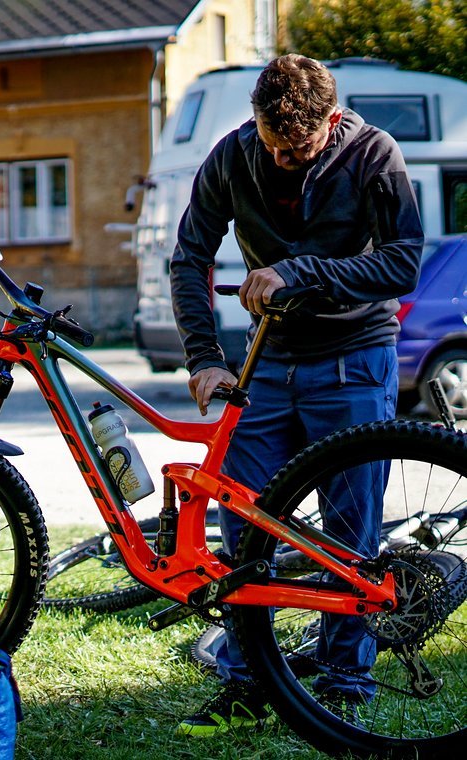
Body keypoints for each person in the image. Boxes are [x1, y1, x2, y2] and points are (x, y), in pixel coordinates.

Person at [168, 54, 423, 737]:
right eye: (273, 145)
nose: (284, 159)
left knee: (348, 536)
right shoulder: (232, 157)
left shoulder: (376, 154)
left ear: (332, 122)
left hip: (354, 361)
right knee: (241, 525)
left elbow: (403, 261)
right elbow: (190, 254)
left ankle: (347, 685)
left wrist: (300, 270)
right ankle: (247, 682)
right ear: (254, 121)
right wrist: (202, 359)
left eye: (300, 148)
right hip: (266, 364)